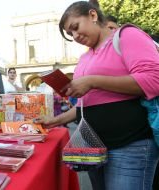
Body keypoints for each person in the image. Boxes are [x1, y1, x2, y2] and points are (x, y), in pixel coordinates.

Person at [35, 1, 159, 190]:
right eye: (70, 34)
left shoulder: (126, 36)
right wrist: (55, 120)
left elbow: (153, 80)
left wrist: (93, 81)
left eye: (75, 28)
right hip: (94, 148)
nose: (75, 36)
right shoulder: (86, 57)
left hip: (130, 145)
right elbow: (86, 105)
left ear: (93, 15)